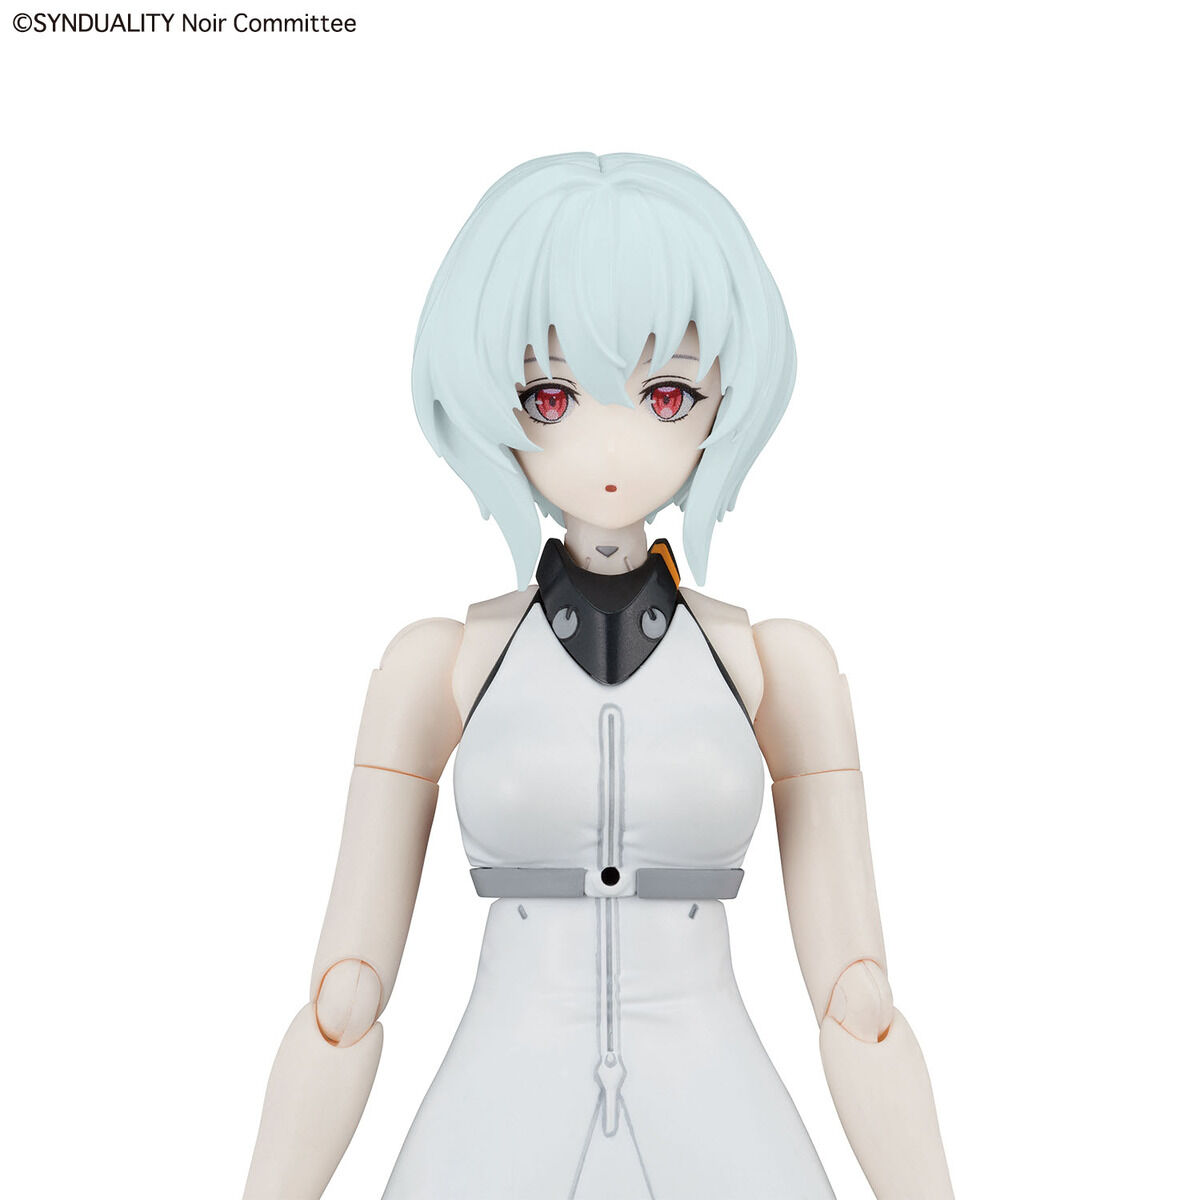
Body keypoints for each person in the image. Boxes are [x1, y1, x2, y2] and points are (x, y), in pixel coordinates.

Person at [243, 152, 955, 1199]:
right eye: (552, 394)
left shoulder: (775, 666)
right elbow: (343, 1001)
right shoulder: (441, 665)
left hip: (721, 1122)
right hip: (494, 1126)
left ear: (726, 398)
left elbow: (859, 1001)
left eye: (666, 393)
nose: (611, 444)